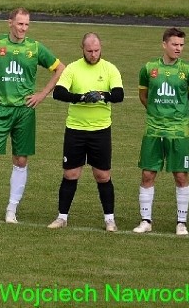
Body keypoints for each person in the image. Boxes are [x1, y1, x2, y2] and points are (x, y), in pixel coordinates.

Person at [0, 7, 64, 224]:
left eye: (27, 24)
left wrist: (42, 94)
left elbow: (60, 68)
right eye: (20, 24)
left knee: (20, 159)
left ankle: (11, 210)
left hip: (24, 112)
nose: (23, 29)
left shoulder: (35, 48)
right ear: (10, 22)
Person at [48, 33, 124, 232]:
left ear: (101, 48)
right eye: (89, 51)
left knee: (102, 175)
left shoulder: (110, 69)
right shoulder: (73, 68)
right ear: (82, 49)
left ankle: (109, 220)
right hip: (75, 129)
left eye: (97, 50)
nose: (93, 54)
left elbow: (119, 95)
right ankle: (62, 217)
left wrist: (101, 95)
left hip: (100, 130)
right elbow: (58, 92)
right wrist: (81, 98)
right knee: (71, 174)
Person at [133, 27, 189, 236]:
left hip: (178, 133)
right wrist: (157, 114)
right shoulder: (149, 68)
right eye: (174, 44)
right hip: (153, 130)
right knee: (147, 174)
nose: (178, 48)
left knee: (180, 175)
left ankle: (181, 223)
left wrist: (178, 117)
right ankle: (146, 220)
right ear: (164, 44)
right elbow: (144, 96)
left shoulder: (188, 71)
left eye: (181, 45)